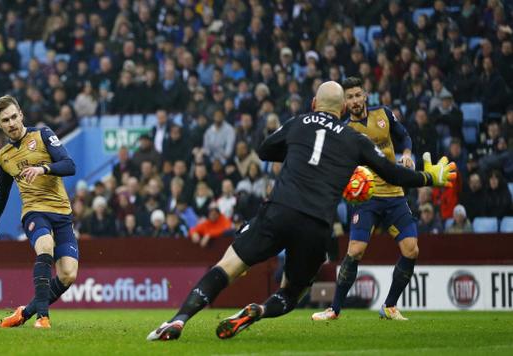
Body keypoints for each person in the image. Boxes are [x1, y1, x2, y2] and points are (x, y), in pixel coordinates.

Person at [146, 81, 456, 341]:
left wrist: (297, 148)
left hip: (278, 210)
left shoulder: (299, 122)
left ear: (313, 103)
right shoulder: (355, 139)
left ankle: (179, 320)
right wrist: (429, 177)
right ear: (344, 108)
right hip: (316, 225)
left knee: (229, 266)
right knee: (291, 293)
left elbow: (265, 150)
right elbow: (393, 173)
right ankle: (260, 310)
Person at [312, 77, 419, 322]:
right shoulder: (343, 129)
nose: (355, 100)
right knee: (356, 250)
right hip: (366, 197)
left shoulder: (384, 114)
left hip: (394, 194)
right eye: (349, 97)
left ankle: (390, 306)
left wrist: (406, 154)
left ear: (365, 95)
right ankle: (334, 309)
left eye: (358, 95)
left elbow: (404, 137)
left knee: (411, 249)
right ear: (344, 102)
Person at [0, 95, 78, 329]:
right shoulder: (3, 156)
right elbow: (1, 192)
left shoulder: (43, 135)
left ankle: (25, 312)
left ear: (21, 114)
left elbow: (69, 165)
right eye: (6, 120)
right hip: (34, 212)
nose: (12, 123)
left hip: (62, 213)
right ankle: (43, 318)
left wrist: (43, 168)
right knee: (45, 246)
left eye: (14, 117)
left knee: (68, 275)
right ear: (0, 125)